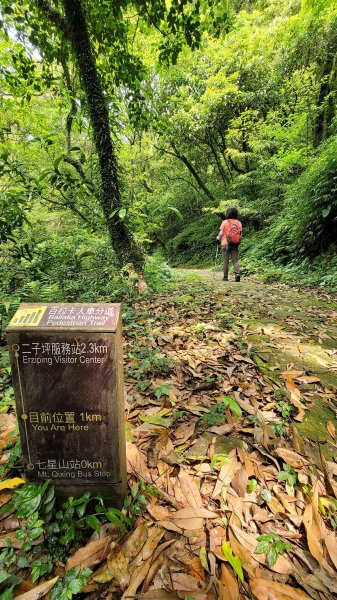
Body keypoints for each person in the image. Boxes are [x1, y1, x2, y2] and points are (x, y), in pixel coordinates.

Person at [216, 207, 242, 282]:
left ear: (228, 213)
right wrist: (238, 242)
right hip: (235, 244)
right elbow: (240, 235)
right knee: (235, 260)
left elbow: (221, 233)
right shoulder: (239, 223)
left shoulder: (225, 222)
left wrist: (217, 238)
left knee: (225, 261)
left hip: (225, 244)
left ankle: (225, 277)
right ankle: (237, 274)